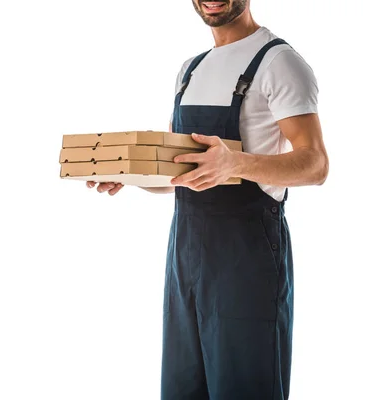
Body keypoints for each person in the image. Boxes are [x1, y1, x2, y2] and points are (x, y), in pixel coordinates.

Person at [86, 0, 329, 399]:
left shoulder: (278, 62)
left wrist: (235, 163)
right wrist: (128, 175)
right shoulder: (190, 69)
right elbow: (180, 177)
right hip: (185, 262)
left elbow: (315, 165)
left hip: (246, 263)